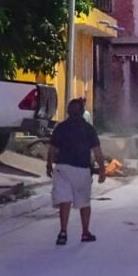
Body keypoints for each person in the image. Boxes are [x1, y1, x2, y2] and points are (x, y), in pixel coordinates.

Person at [46, 98, 106, 245]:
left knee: (64, 201)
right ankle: (85, 233)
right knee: (84, 202)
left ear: (68, 112)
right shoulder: (89, 129)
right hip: (82, 170)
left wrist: (49, 165)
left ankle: (63, 232)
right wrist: (102, 170)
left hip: (62, 169)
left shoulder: (61, 128)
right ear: (82, 112)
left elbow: (52, 149)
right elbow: (97, 152)